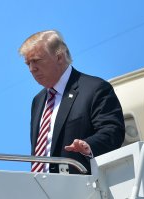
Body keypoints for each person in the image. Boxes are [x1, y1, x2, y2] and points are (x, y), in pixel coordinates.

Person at [19, 30, 125, 174]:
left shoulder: (95, 89)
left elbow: (112, 132)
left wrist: (88, 146)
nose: (32, 69)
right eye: (28, 64)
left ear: (59, 57)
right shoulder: (37, 101)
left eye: (36, 60)